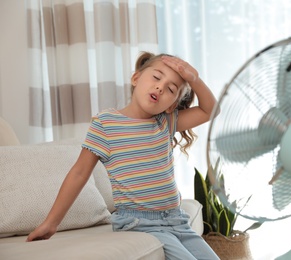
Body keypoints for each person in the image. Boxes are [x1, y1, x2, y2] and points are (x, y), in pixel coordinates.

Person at [26, 52, 220, 260]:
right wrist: (51, 223)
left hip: (176, 219)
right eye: (156, 77)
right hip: (139, 222)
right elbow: (79, 173)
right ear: (136, 79)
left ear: (172, 105)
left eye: (171, 89)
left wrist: (194, 79)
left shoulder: (166, 122)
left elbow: (211, 110)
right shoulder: (106, 124)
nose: (160, 87)